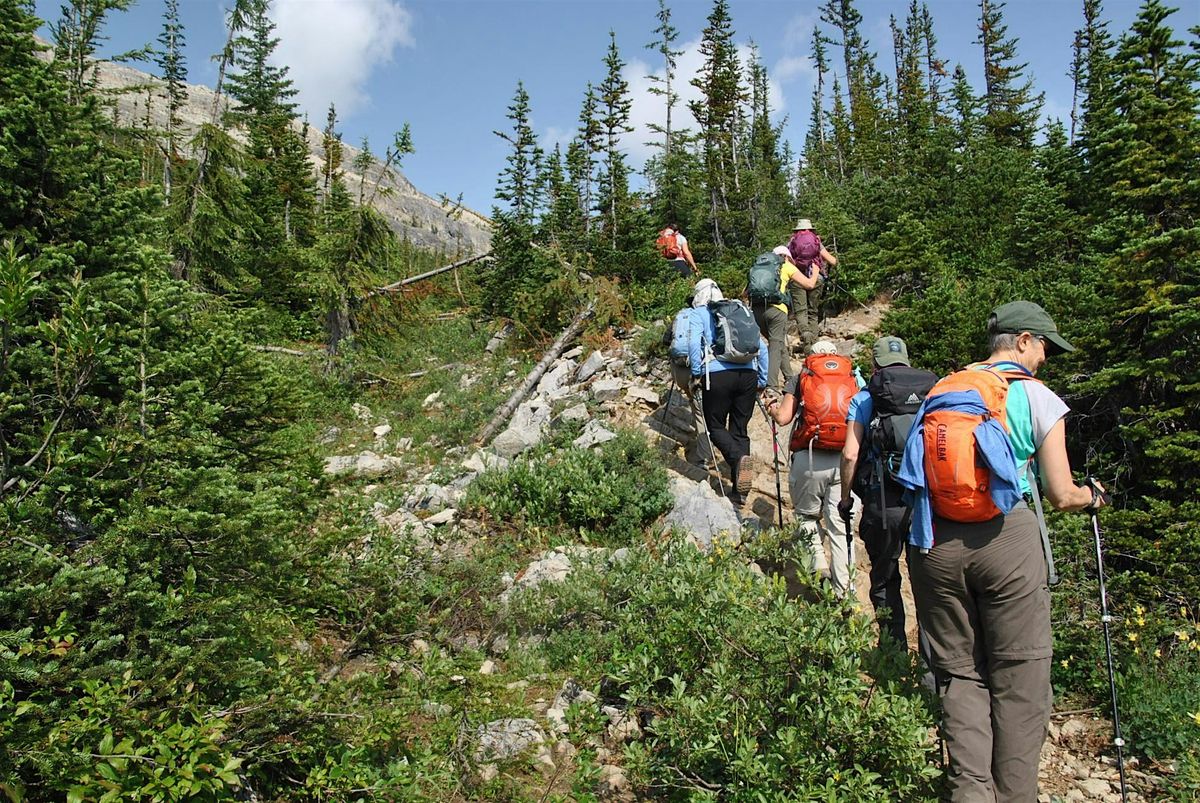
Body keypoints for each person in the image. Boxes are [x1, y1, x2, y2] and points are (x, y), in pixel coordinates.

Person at [896, 301, 1106, 801]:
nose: (1046, 358)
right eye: (1045, 347)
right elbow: (1060, 493)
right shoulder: (1035, 396)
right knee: (1020, 676)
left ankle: (970, 793)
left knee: (959, 674)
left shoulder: (945, 388)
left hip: (934, 541)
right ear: (1023, 341)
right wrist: (1091, 496)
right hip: (1007, 539)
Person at [837, 336, 937, 650]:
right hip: (925, 503)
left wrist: (845, 497)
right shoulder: (931, 392)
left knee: (885, 579)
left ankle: (893, 655)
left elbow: (850, 454)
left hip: (884, 502)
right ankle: (932, 664)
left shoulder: (866, 397)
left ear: (875, 365)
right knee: (928, 584)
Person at [766, 340, 857, 597]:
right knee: (841, 526)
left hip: (810, 457)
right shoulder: (851, 377)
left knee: (807, 517)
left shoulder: (801, 377)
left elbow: (784, 418)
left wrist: (772, 407)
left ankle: (818, 572)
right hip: (844, 459)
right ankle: (845, 593)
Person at [685, 278, 769, 506]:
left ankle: (738, 459)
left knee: (714, 426)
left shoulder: (699, 313)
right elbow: (762, 347)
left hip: (718, 374)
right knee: (739, 430)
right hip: (748, 375)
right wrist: (762, 379)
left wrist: (696, 373)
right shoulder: (739, 310)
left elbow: (693, 345)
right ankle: (739, 493)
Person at [748, 246, 820, 392]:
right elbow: (809, 284)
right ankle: (771, 385)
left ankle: (789, 377)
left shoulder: (758, 268)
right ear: (786, 256)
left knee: (778, 343)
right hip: (777, 310)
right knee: (775, 345)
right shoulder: (785, 265)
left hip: (756, 311)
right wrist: (816, 271)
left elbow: (745, 293)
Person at [665, 291, 715, 469]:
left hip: (680, 372)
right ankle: (705, 456)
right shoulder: (707, 316)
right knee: (703, 412)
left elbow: (666, 341)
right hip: (700, 370)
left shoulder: (680, 316)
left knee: (696, 405)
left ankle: (703, 447)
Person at [786, 219, 838, 348]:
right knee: (813, 312)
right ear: (811, 229)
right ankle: (814, 344)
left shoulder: (792, 242)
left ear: (797, 230)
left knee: (801, 312)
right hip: (816, 278)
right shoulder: (816, 242)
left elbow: (787, 262)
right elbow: (833, 261)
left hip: (797, 279)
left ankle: (806, 339)